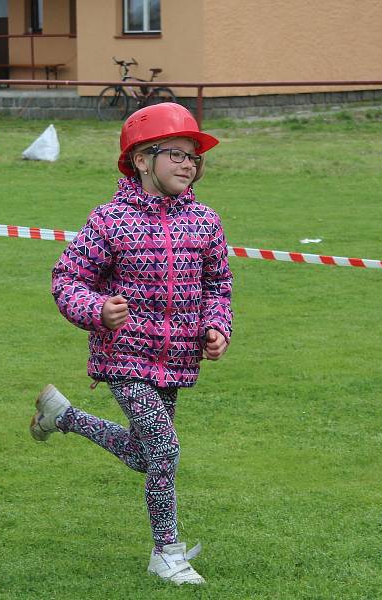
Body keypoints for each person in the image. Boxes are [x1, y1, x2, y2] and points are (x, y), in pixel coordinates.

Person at [30, 103, 232, 586]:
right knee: (163, 450)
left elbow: (217, 287)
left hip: (177, 361)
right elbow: (68, 280)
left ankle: (65, 417)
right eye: (176, 154)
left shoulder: (206, 222)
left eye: (194, 157)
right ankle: (166, 552)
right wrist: (96, 310)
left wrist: (216, 327)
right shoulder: (108, 221)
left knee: (148, 456)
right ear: (142, 160)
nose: (188, 164)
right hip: (124, 357)